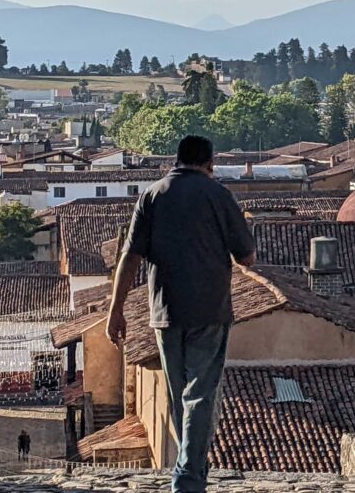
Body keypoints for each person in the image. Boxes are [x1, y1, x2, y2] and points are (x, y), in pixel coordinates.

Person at [106, 135, 255, 493]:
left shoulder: (153, 195)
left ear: (177, 159)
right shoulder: (219, 196)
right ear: (209, 163)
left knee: (179, 397)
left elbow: (130, 258)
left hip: (165, 311)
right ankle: (189, 478)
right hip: (210, 309)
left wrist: (116, 310)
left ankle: (191, 472)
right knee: (200, 395)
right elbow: (246, 257)